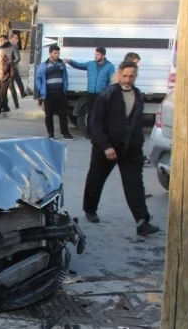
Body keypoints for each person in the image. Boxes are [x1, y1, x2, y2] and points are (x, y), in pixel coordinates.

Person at [82, 61, 160, 236]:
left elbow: (137, 124)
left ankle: (142, 222)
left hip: (130, 149)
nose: (127, 79)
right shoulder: (108, 94)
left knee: (135, 185)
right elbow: (95, 123)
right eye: (124, 76)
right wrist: (105, 146)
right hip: (106, 148)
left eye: (131, 76)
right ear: (119, 74)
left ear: (135, 76)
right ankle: (90, 208)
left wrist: (138, 146)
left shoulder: (138, 95)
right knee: (96, 178)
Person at [64, 47, 115, 139]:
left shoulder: (110, 66)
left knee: (101, 114)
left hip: (102, 94)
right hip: (91, 93)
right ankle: (89, 134)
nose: (95, 56)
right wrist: (70, 61)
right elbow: (79, 65)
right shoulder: (90, 64)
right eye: (95, 54)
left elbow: (113, 81)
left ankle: (101, 134)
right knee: (91, 114)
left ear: (103, 55)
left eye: (97, 54)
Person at [35, 45, 74, 140]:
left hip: (60, 93)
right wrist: (41, 89)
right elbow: (38, 78)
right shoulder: (44, 65)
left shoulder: (61, 64)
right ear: (50, 53)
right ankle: (51, 133)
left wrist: (65, 87)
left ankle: (65, 133)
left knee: (63, 114)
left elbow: (65, 77)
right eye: (55, 53)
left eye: (58, 53)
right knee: (49, 115)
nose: (57, 55)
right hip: (49, 94)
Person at [0, 35, 20, 109]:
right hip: (1, 72)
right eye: (0, 40)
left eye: (2, 40)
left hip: (10, 71)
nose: (1, 41)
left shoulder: (13, 47)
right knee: (2, 91)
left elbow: (18, 58)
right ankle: (5, 105)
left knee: (11, 87)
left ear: (6, 40)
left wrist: (10, 63)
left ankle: (16, 104)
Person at [0, 48, 13, 118]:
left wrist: (9, 79)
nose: (1, 55)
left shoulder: (8, 61)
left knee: (1, 96)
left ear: (4, 54)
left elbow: (13, 72)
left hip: (5, 80)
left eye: (2, 54)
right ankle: (6, 107)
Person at [9, 33, 28, 99]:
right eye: (16, 38)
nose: (18, 39)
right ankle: (22, 93)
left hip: (12, 67)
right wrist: (11, 63)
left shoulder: (12, 46)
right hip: (12, 67)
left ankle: (22, 93)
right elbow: (18, 58)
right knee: (16, 81)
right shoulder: (14, 46)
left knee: (18, 81)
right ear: (12, 38)